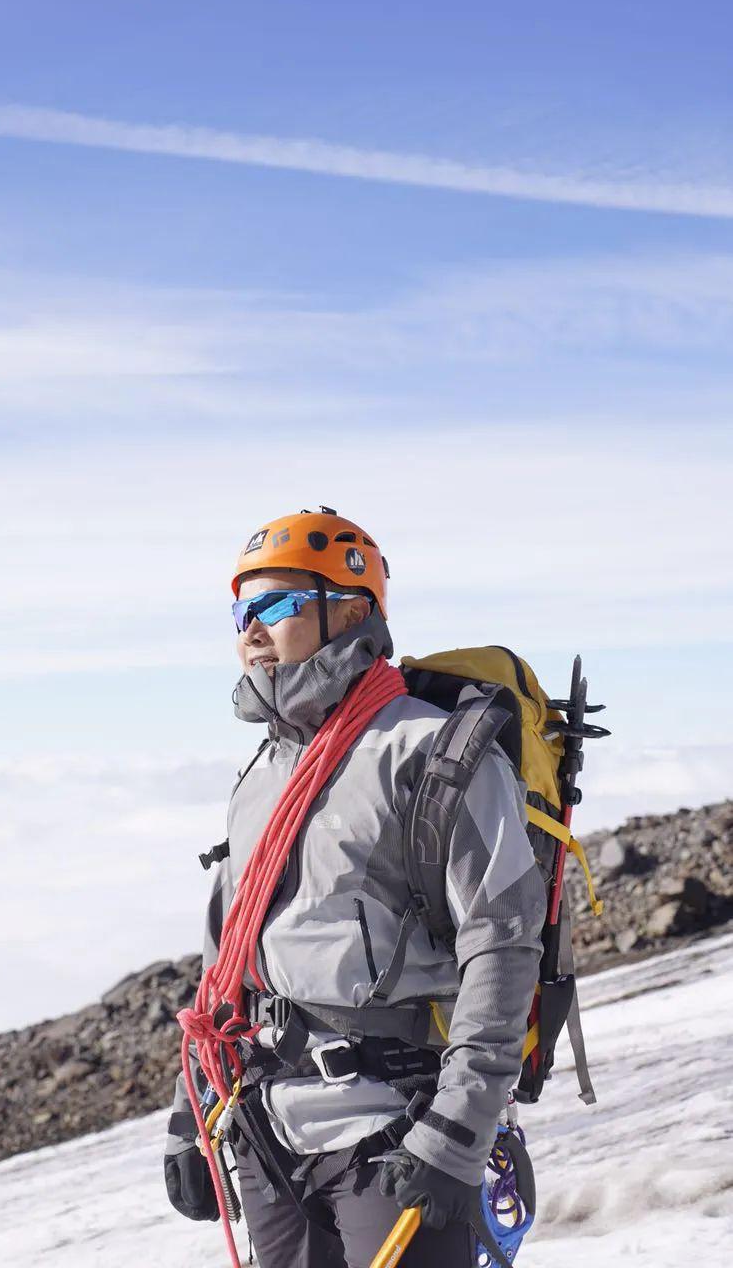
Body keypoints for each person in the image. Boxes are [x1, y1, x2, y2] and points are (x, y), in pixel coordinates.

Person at [165, 508, 547, 1268]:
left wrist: (459, 1133)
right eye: (242, 611)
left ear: (352, 610)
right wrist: (190, 1115)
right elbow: (225, 966)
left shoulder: (431, 752)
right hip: (269, 1134)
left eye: (276, 605)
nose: (251, 631)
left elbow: (502, 948)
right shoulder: (262, 775)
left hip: (396, 1132)